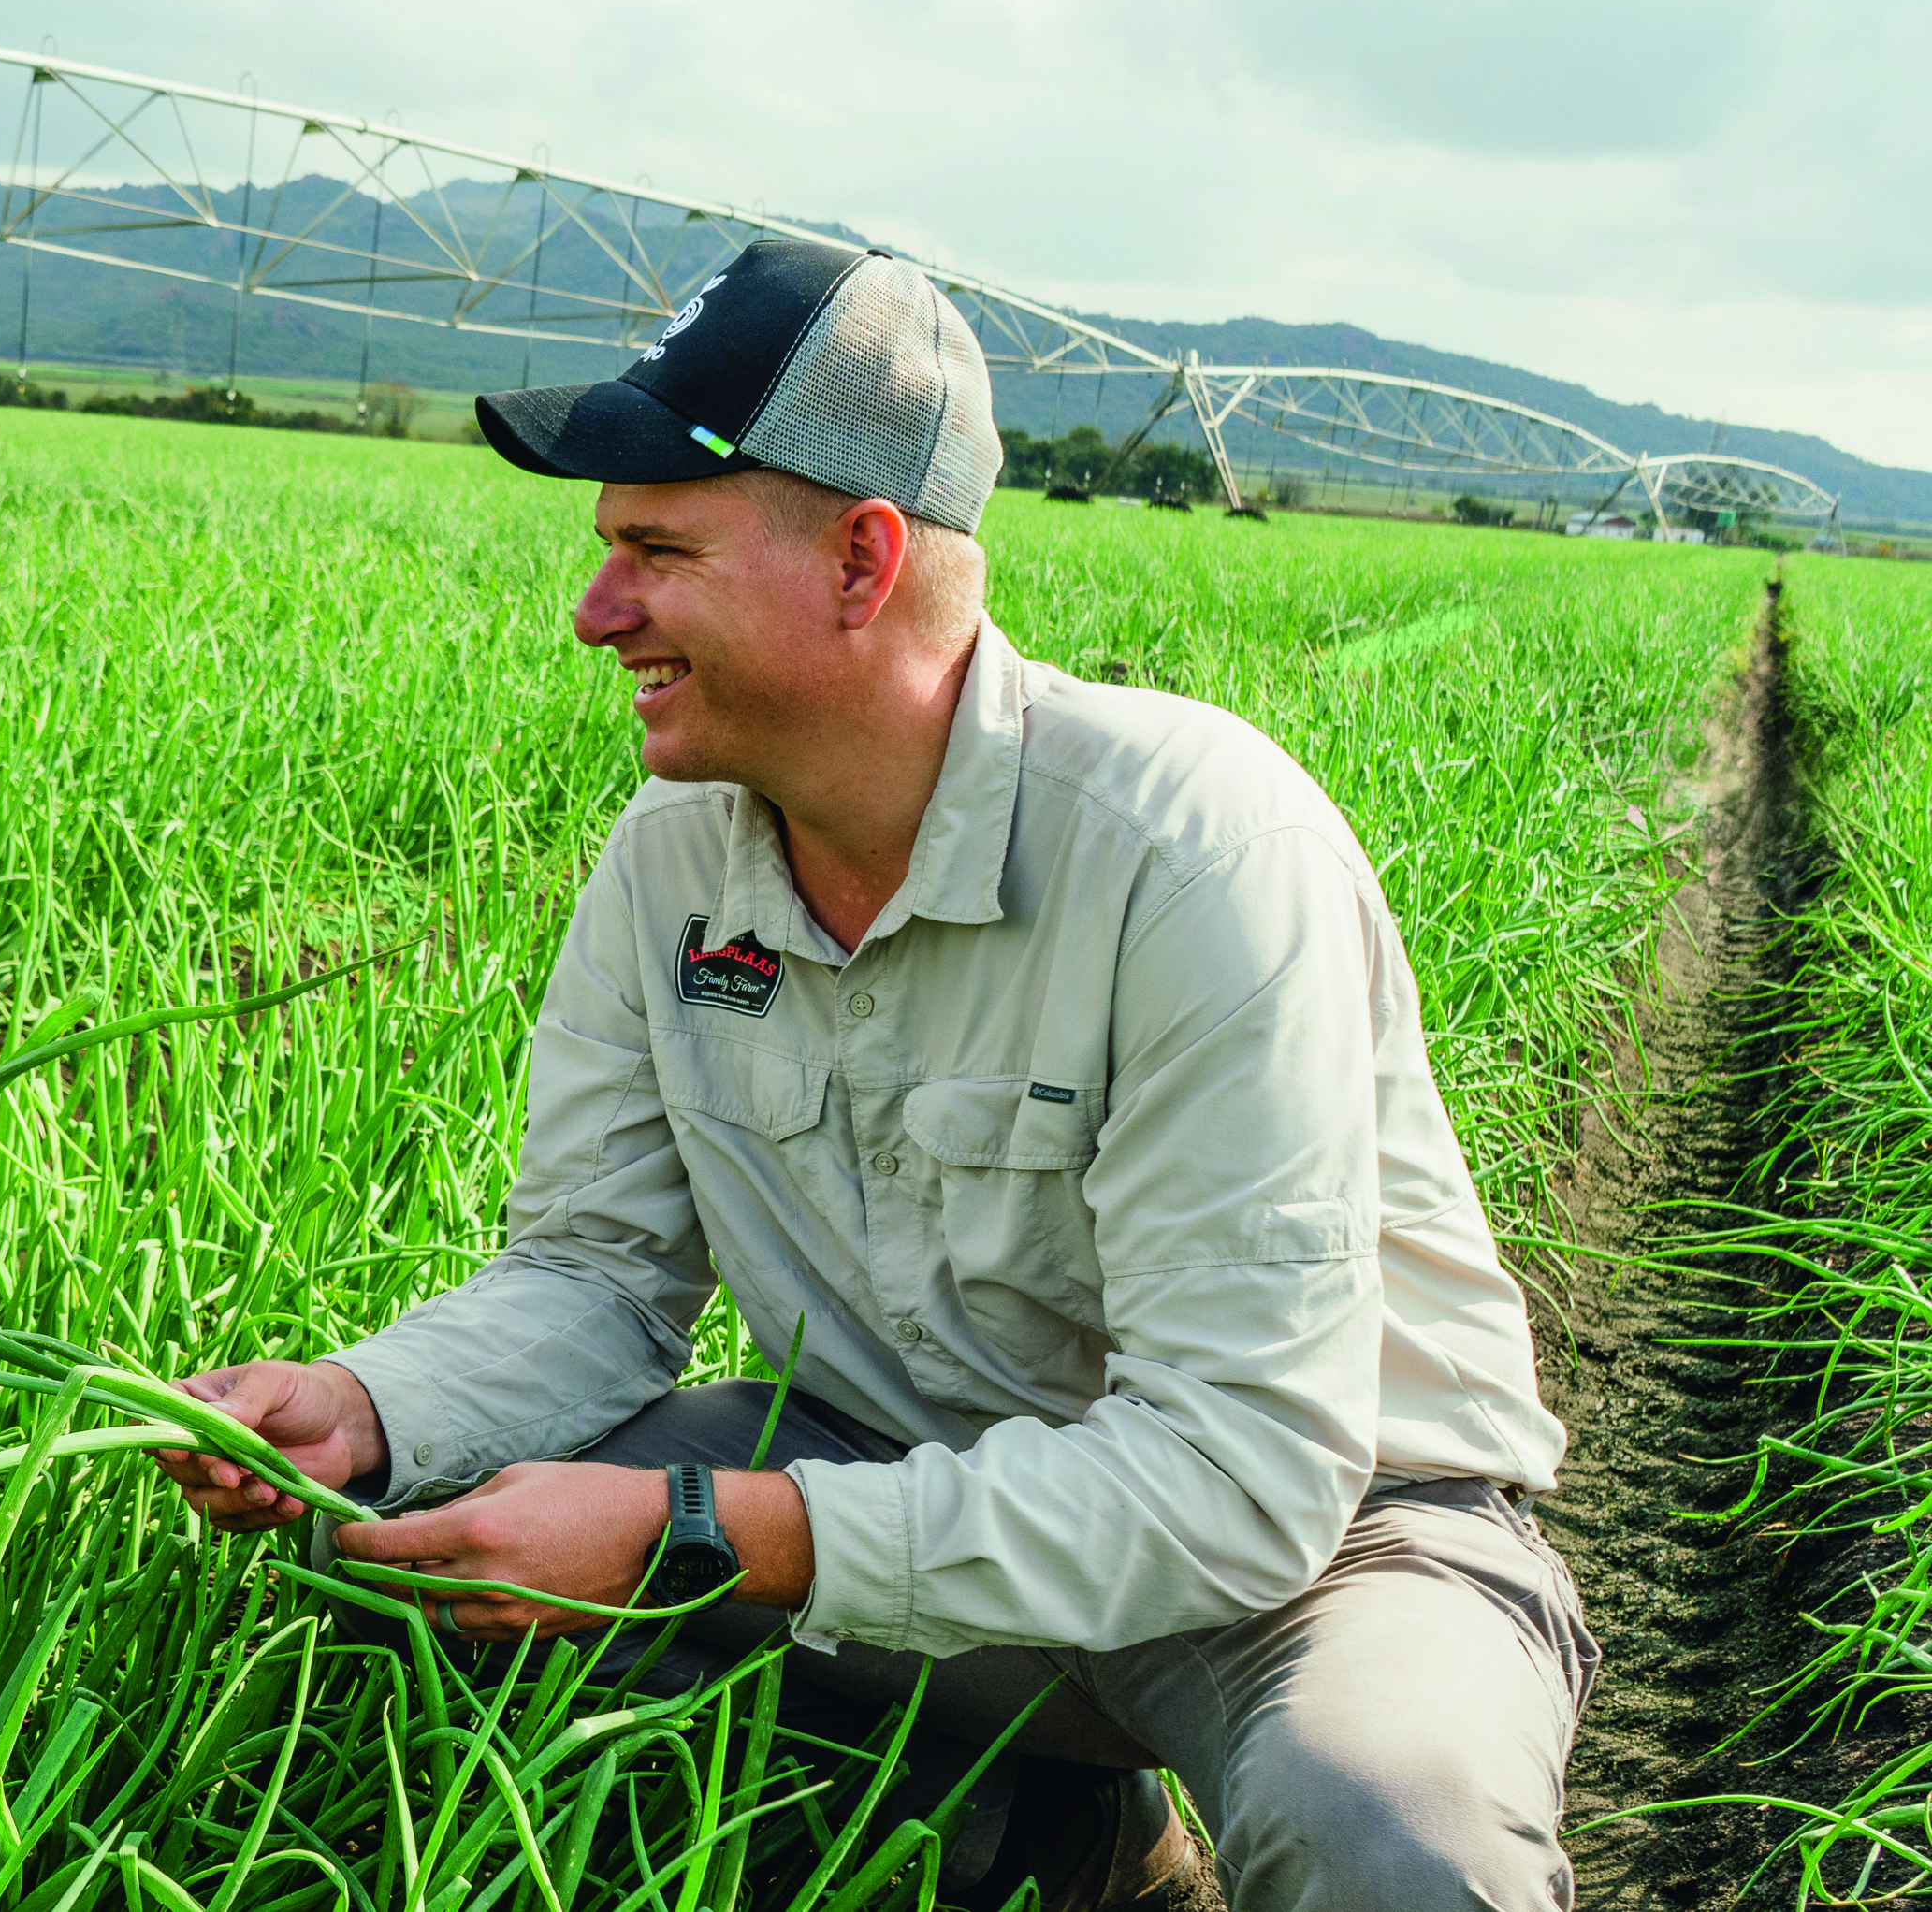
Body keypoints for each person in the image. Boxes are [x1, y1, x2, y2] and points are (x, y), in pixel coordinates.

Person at [146, 240, 1591, 1912]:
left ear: (861, 560)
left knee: (1385, 1837)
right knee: (423, 1529)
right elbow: (596, 1272)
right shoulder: (670, 863)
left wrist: (704, 1531)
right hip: (900, 1498)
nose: (595, 610)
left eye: (657, 552)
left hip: (1321, 1555)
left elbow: (1238, 1475)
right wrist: (373, 1404)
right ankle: (1068, 1853)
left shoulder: (1191, 850)